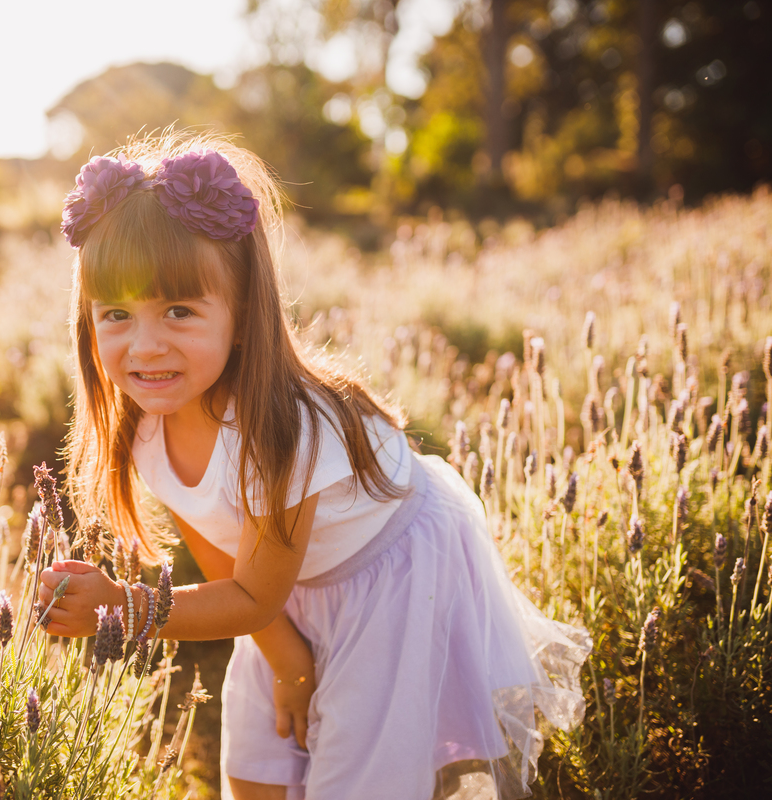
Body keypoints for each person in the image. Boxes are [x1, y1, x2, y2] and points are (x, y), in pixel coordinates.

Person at [37, 133, 589, 800]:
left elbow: (253, 594)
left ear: (242, 315)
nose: (146, 344)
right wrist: (288, 659)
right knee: (254, 769)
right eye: (117, 314)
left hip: (386, 576)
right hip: (276, 581)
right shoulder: (148, 427)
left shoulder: (281, 427)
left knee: (359, 780)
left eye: (179, 310)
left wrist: (123, 606)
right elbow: (228, 564)